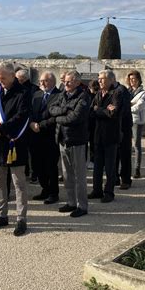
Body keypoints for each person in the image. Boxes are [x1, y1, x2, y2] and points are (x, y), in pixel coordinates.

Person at [0, 62, 31, 236]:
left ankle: (21, 218)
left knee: (18, 183)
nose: (0, 80)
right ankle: (1, 215)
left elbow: (21, 116)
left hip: (14, 143)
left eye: (3, 77)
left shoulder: (24, 93)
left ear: (12, 76)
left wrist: (1, 130)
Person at [50, 70, 90, 217]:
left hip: (77, 141)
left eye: (69, 81)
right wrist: (63, 110)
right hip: (62, 139)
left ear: (77, 82)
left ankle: (82, 206)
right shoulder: (63, 94)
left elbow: (75, 118)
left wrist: (58, 118)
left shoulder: (83, 96)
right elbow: (51, 108)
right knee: (67, 175)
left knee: (79, 176)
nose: (65, 83)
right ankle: (71, 202)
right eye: (65, 81)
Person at [89, 69, 121, 203]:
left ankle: (109, 192)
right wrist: (103, 110)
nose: (99, 81)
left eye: (102, 78)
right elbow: (90, 111)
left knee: (110, 166)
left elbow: (113, 114)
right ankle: (97, 190)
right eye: (99, 78)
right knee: (97, 166)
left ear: (111, 80)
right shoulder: (98, 94)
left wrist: (99, 110)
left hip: (110, 136)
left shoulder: (116, 94)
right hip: (97, 135)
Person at [29, 71, 61, 205]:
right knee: (37, 165)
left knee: (50, 166)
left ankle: (53, 193)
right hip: (35, 136)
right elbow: (29, 111)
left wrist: (40, 125)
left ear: (52, 81)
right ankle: (45, 189)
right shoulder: (36, 94)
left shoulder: (59, 96)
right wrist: (31, 123)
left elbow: (56, 117)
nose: (42, 83)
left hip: (50, 136)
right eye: (41, 81)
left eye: (45, 81)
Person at [113, 76, 133, 190]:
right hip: (113, 127)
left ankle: (125, 180)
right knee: (114, 155)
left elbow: (122, 111)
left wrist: (111, 111)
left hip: (123, 127)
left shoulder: (122, 90)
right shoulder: (108, 91)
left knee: (124, 154)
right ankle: (114, 177)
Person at [126, 70, 145, 179]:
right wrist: (130, 105)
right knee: (127, 145)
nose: (132, 81)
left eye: (134, 79)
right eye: (130, 79)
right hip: (127, 120)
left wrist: (128, 107)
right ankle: (127, 168)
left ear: (138, 80)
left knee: (137, 145)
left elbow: (140, 106)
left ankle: (137, 169)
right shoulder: (127, 91)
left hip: (137, 121)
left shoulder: (142, 92)